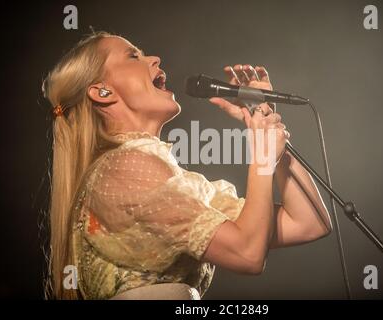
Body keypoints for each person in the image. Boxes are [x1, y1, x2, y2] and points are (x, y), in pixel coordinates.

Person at [42, 31, 332, 300]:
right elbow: (248, 254)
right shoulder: (120, 169)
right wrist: (263, 158)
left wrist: (267, 122)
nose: (154, 58)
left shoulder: (164, 178)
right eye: (133, 56)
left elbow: (308, 223)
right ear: (102, 92)